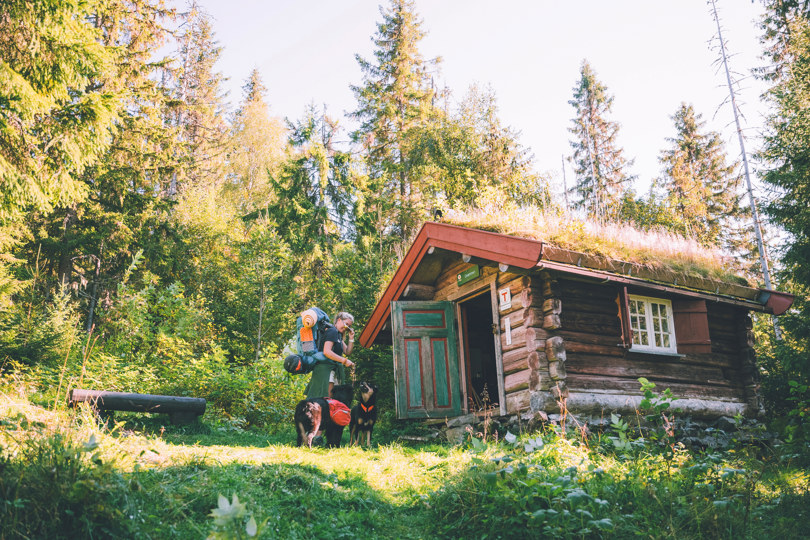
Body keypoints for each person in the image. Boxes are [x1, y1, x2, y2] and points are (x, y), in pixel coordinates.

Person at [305, 311, 355, 399]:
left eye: (349, 326)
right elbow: (327, 352)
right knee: (327, 401)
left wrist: (351, 339)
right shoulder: (332, 331)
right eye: (346, 324)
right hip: (325, 371)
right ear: (339, 320)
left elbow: (347, 352)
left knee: (331, 402)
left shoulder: (338, 335)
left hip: (332, 370)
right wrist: (344, 361)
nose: (347, 328)